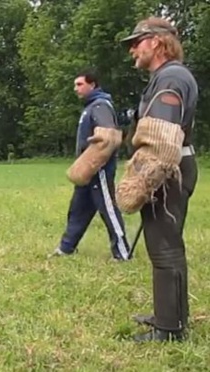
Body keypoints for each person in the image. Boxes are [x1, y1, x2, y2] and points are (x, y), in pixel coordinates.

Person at [116, 16, 198, 342]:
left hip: (168, 168)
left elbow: (163, 137)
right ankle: (169, 316)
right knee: (163, 247)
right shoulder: (167, 76)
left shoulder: (172, 77)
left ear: (157, 41)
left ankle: (170, 329)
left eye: (137, 42)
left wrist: (143, 180)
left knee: (165, 249)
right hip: (172, 166)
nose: (133, 49)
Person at [49, 69, 131, 261]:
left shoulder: (100, 105)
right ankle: (66, 248)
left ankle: (122, 253)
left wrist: (91, 162)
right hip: (87, 171)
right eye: (75, 85)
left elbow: (109, 136)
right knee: (77, 209)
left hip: (98, 169)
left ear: (92, 85)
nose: (75, 89)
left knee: (108, 210)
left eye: (79, 84)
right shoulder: (90, 106)